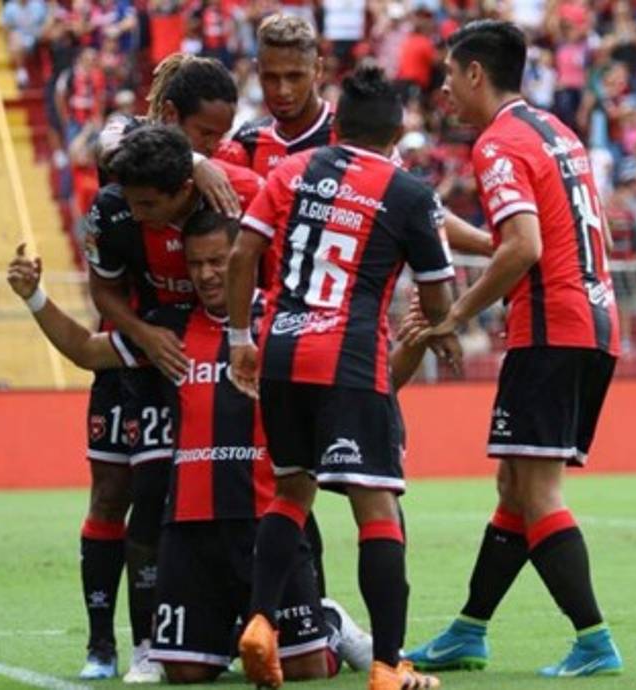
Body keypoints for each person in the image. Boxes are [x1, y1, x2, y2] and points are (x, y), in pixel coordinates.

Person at [6, 212, 378, 684]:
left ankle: (330, 623)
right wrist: (34, 297)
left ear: (242, 259)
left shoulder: (284, 321)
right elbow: (85, 350)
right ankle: (226, 636)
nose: (205, 274)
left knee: (305, 670)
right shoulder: (169, 328)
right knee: (185, 673)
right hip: (189, 529)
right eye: (196, 263)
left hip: (267, 520)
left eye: (218, 261)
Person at [405, 20, 623, 678]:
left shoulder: (498, 144)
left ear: (477, 73)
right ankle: (469, 630)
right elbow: (553, 232)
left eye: (450, 74)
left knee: (539, 492)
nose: (443, 88)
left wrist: (455, 315)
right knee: (514, 482)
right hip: (593, 316)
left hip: (552, 325)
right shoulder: (557, 130)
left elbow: (523, 247)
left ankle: (594, 640)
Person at [225, 67, 455, 690]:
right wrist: (441, 325)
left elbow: (244, 254)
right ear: (398, 128)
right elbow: (439, 297)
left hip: (280, 354)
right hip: (349, 363)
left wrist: (241, 341)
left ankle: (261, 621)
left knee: (290, 492)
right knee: (376, 507)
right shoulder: (408, 193)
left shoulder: (289, 173)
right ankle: (387, 664)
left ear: (338, 122)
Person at [78, 120, 261, 683]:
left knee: (251, 482)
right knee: (116, 492)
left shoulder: (235, 194)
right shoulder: (115, 209)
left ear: (183, 191)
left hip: (219, 347)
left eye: (149, 204)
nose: (137, 213)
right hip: (146, 346)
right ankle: (112, 643)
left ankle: (294, 618)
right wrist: (141, 332)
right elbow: (102, 290)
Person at [215, 13, 492, 256]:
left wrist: (489, 245)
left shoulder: (355, 132)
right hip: (262, 309)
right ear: (257, 71)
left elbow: (417, 209)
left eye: (295, 76)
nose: (283, 90)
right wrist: (197, 162)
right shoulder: (249, 140)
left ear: (318, 70)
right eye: (271, 78)